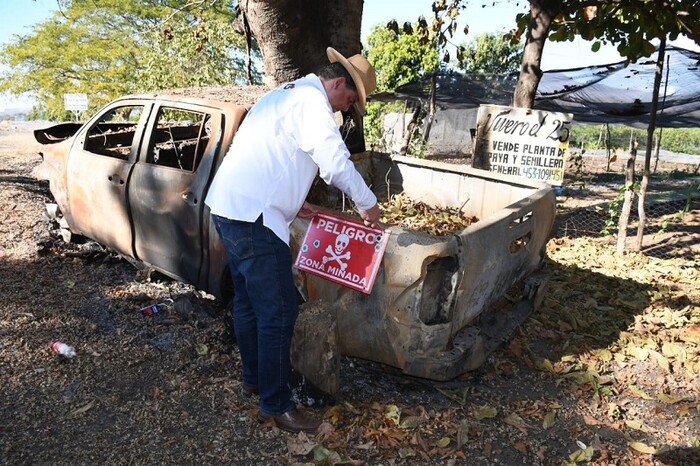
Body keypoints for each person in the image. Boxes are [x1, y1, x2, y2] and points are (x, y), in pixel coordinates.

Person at [204, 47, 381, 433]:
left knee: (249, 303)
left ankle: (254, 379)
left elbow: (274, 156)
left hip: (229, 207)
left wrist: (294, 202)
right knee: (280, 312)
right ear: (337, 83)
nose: (347, 110)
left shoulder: (282, 94)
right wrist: (369, 206)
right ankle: (276, 405)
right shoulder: (312, 103)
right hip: (254, 218)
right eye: (350, 100)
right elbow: (335, 164)